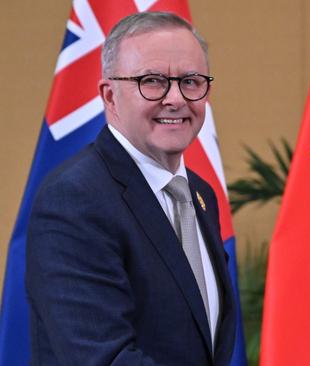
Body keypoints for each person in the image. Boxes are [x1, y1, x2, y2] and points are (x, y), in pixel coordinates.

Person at [26, 12, 235, 365]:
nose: (176, 99)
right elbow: (104, 359)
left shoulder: (200, 195)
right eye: (152, 81)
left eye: (191, 81)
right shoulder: (74, 200)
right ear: (110, 96)